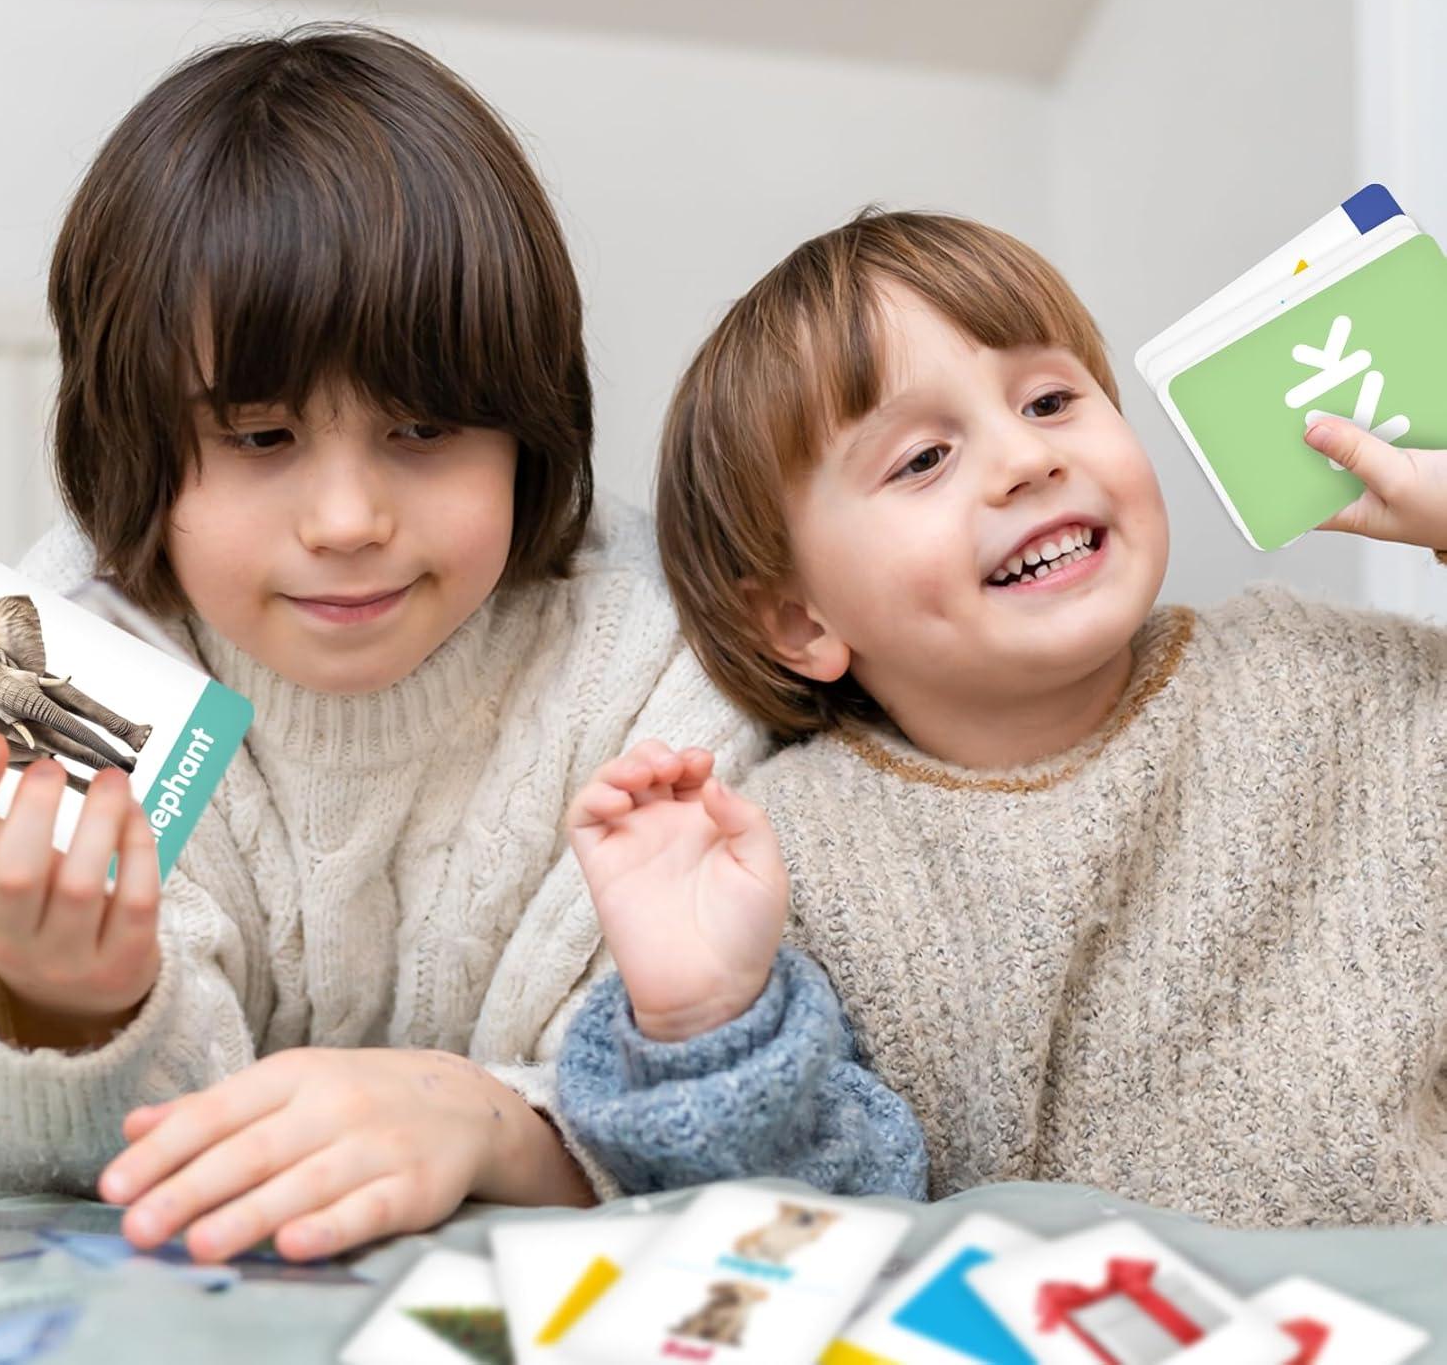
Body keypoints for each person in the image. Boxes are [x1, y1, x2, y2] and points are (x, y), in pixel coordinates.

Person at [0, 23, 787, 1262]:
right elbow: (3, 1167)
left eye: (424, 430)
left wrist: (485, 1122)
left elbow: (730, 1113)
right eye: (261, 438)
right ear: (133, 445)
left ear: (531, 426)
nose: (348, 522)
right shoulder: (53, 658)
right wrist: (62, 1005)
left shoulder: (659, 664)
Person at [556, 208, 1447, 1226]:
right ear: (802, 620)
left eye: (1051, 401)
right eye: (922, 460)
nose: (1027, 458)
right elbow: (807, 1226)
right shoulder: (789, 859)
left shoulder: (1337, 684)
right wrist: (709, 1018)